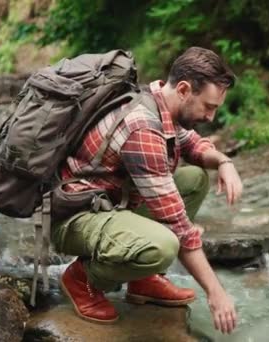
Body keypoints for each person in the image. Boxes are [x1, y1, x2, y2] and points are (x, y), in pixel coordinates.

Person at [53, 47, 242, 334]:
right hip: (75, 217)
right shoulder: (143, 127)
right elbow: (178, 226)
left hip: (110, 205)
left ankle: (143, 279)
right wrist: (216, 293)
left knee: (194, 178)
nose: (211, 117)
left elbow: (191, 144)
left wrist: (224, 162)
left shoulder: (159, 101)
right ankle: (82, 280)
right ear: (183, 89)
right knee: (164, 245)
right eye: (208, 106)